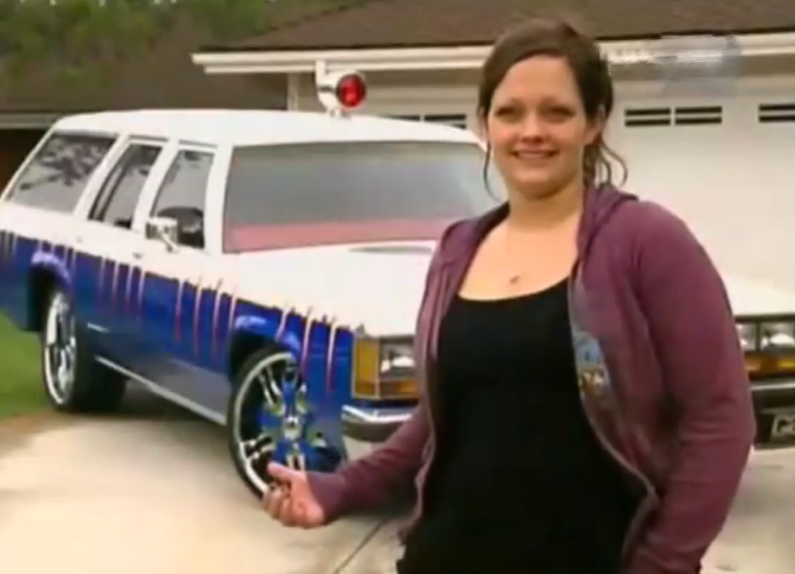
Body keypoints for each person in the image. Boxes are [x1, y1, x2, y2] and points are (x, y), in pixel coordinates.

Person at [262, 17, 756, 574]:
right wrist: (338, 489)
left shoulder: (643, 242)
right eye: (510, 112)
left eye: (557, 112)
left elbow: (720, 419)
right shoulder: (458, 249)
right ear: (485, 124)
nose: (532, 131)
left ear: (594, 123)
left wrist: (663, 562)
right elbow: (439, 420)